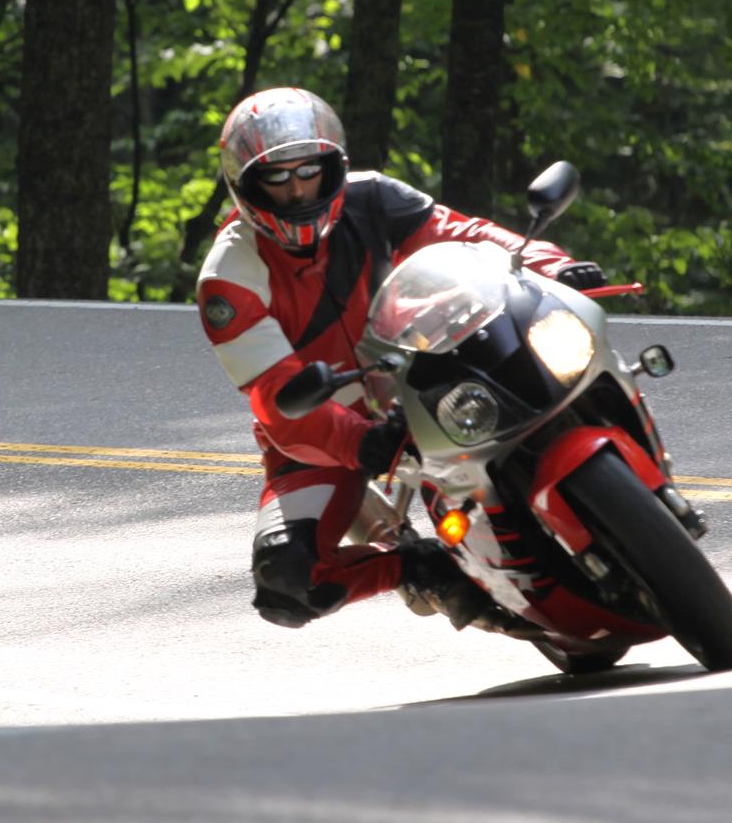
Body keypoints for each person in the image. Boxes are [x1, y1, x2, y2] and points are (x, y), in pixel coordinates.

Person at [196, 86, 609, 632]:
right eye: (276, 177)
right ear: (246, 184)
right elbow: (274, 395)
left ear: (332, 166)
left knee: (563, 359)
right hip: (323, 436)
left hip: (431, 367)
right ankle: (418, 567)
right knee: (287, 580)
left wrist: (551, 264)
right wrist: (358, 441)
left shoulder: (373, 196)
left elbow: (465, 235)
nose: (297, 190)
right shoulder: (227, 278)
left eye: (309, 171)